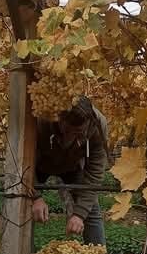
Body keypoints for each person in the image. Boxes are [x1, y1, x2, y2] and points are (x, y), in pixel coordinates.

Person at [32, 95, 109, 244]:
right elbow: (22, 163)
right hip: (38, 164)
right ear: (59, 119)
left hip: (72, 166)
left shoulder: (99, 127)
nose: (70, 138)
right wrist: (35, 196)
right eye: (66, 131)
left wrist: (79, 214)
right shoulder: (42, 119)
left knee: (90, 209)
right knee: (21, 202)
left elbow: (94, 174)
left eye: (77, 134)